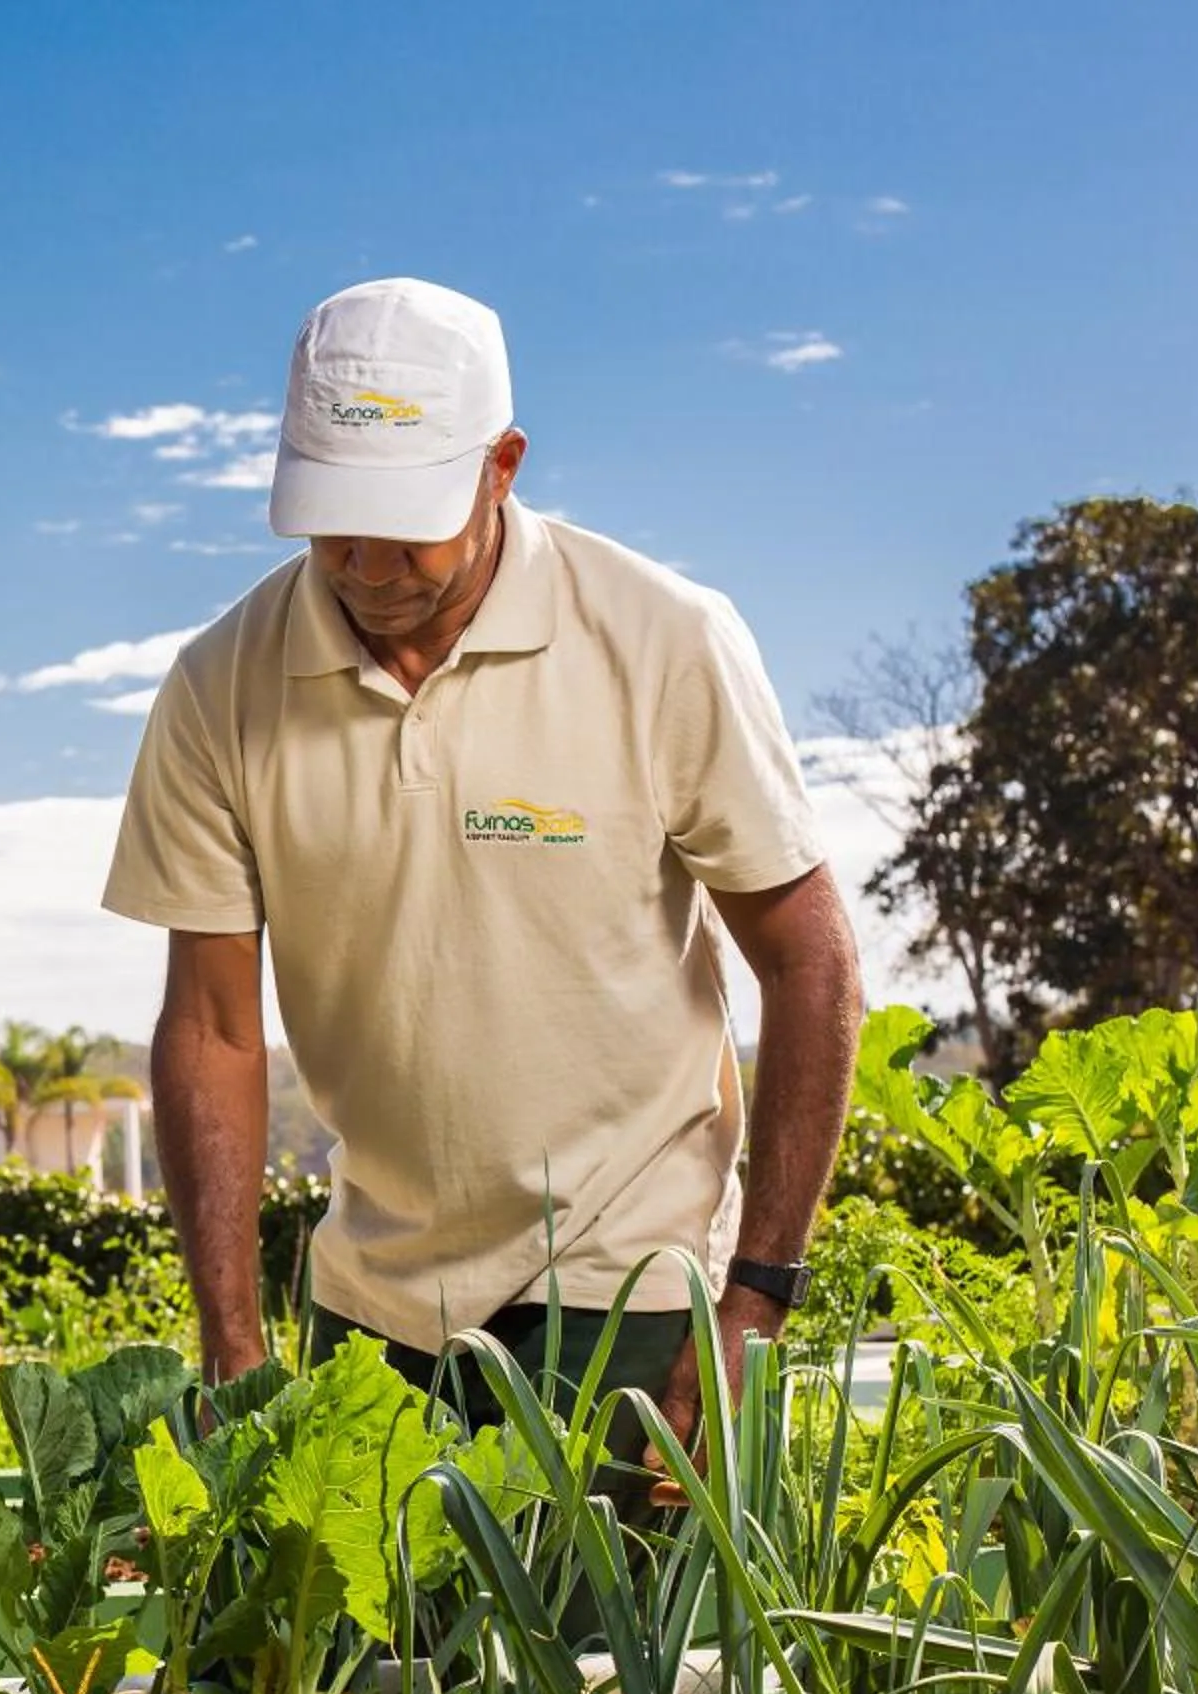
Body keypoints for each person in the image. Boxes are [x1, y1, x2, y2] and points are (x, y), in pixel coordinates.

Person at [102, 276, 863, 1503]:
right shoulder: (220, 685)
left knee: (609, 1682)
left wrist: (757, 1298)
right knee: (383, 1689)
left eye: (404, 523)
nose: (364, 563)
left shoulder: (661, 639)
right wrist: (232, 1338)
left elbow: (811, 960)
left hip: (628, 1283)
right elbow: (213, 1024)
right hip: (374, 1290)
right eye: (332, 522)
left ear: (502, 464)